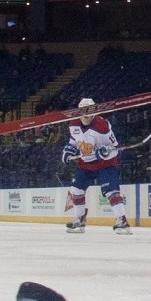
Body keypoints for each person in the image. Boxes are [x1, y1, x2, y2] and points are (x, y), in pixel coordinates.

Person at [62, 98, 131, 234]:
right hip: (86, 163)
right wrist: (69, 149)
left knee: (111, 191)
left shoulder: (102, 126)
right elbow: (74, 140)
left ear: (95, 111)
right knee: (76, 190)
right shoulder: (73, 124)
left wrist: (105, 152)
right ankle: (80, 220)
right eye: (83, 110)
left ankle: (122, 221)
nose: (86, 114)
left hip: (104, 164)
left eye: (89, 110)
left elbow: (115, 148)